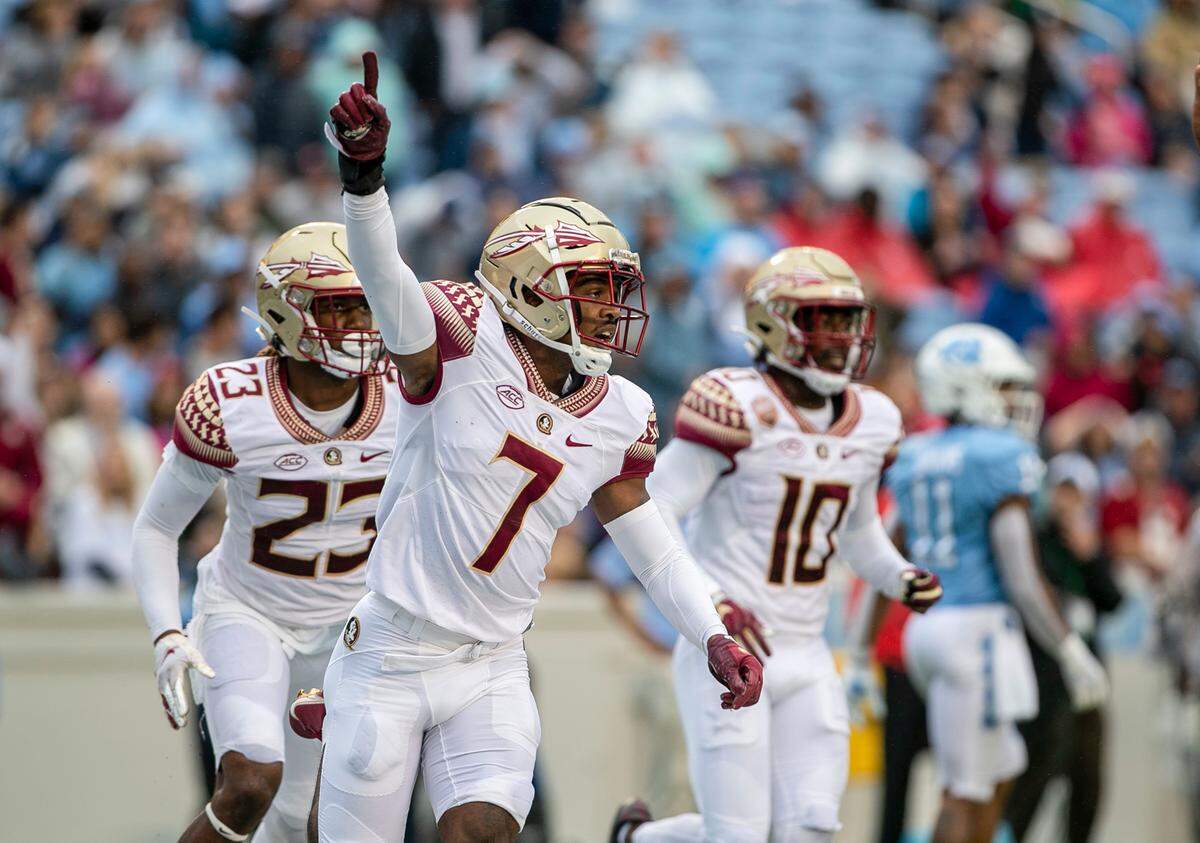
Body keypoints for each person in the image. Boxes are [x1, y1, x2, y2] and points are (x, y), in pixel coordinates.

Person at [302, 53, 763, 843]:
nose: (608, 305)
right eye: (588, 287)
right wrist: (365, 184)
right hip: (390, 647)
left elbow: (649, 543)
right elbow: (387, 286)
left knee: (485, 830)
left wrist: (709, 628)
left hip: (492, 661)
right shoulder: (460, 335)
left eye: (610, 288)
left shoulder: (618, 406)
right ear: (524, 285)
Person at [609, 247, 943, 843]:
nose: (842, 337)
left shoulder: (872, 419)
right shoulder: (738, 403)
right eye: (824, 320)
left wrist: (897, 577)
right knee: (737, 836)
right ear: (773, 322)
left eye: (848, 321)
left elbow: (858, 531)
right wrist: (710, 602)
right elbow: (650, 506)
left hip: (809, 651)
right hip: (732, 647)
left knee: (810, 829)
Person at [131, 220, 399, 842]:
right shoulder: (232, 402)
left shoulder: (408, 394)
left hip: (352, 631)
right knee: (250, 782)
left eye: (365, 306)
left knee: (313, 824)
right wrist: (166, 632)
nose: (360, 325)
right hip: (249, 614)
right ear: (288, 312)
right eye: (339, 309)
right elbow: (156, 527)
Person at [885, 323, 1110, 843]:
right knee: (965, 788)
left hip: (930, 628)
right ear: (967, 386)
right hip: (977, 628)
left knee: (1000, 769)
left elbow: (885, 555)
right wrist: (1070, 648)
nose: (1017, 400)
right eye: (1006, 387)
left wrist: (857, 648)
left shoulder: (918, 451)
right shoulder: (997, 456)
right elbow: (1021, 575)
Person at [1005, 453, 1122, 843]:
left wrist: (1090, 558)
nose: (1067, 502)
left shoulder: (1091, 547)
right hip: (1043, 681)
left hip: (1085, 684)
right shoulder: (1035, 540)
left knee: (1087, 784)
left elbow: (1112, 600)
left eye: (1076, 493)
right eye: (1062, 491)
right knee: (1031, 783)